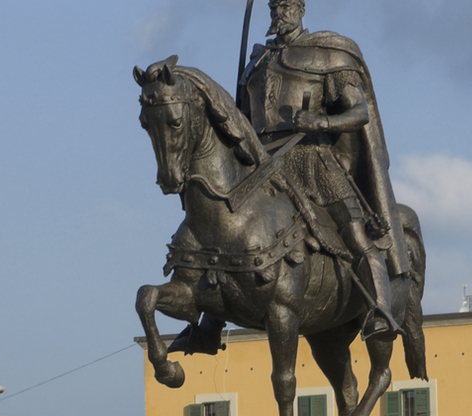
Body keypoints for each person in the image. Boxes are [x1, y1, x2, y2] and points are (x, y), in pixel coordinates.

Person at [168, 0, 405, 355]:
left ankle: (380, 311)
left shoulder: (326, 55)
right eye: (275, 6)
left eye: (287, 5)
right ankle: (208, 329)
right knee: (223, 231)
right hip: (262, 164)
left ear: (301, 9)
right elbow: (242, 120)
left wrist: (323, 122)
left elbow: (360, 111)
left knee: (356, 235)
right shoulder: (257, 62)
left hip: (314, 160)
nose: (280, 12)